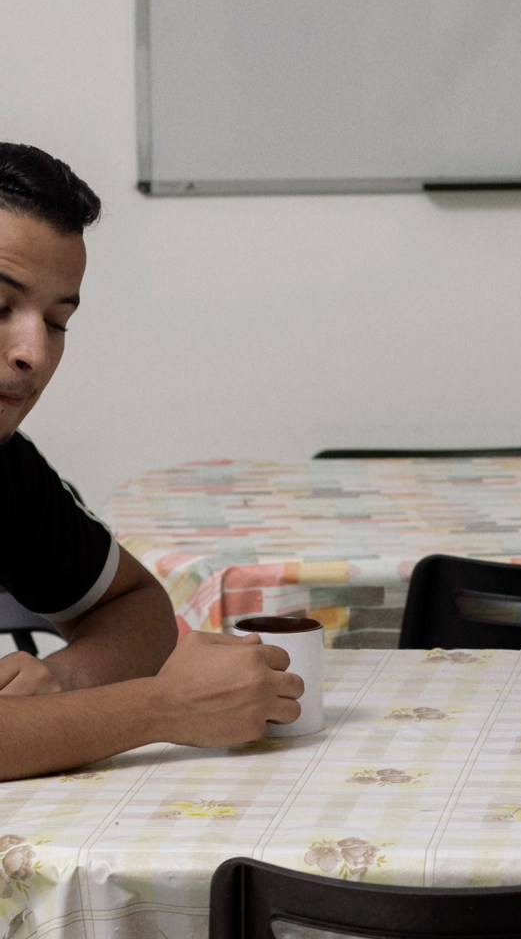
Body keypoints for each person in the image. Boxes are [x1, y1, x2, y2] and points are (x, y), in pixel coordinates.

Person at [0, 144, 305, 781]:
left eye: (57, 322)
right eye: (0, 307)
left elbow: (135, 608)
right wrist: (163, 708)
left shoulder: (7, 469)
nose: (33, 352)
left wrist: (61, 683)